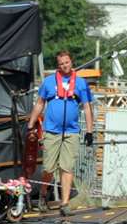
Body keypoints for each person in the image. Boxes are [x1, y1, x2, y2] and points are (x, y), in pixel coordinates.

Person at [27, 50, 94, 215]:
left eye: (67, 62)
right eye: (61, 63)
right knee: (49, 168)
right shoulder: (49, 82)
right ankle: (43, 194)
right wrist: (31, 124)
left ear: (72, 62)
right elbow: (40, 103)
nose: (65, 66)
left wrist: (90, 131)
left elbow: (87, 107)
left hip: (71, 132)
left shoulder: (80, 83)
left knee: (67, 167)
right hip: (52, 131)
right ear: (58, 65)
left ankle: (64, 203)